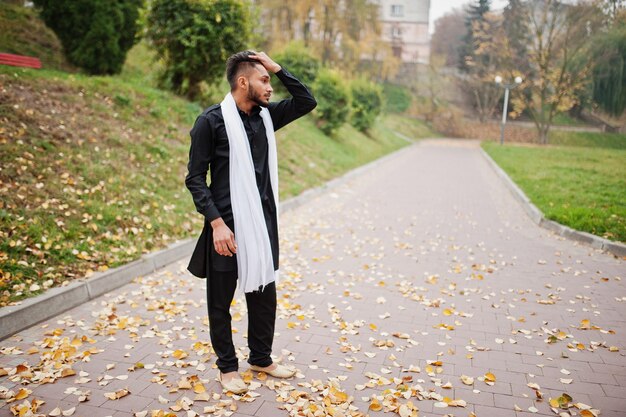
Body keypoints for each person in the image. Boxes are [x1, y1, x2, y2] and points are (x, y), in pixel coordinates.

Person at [185, 51, 317, 393]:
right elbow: (195, 179)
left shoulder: (266, 117)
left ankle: (260, 357)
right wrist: (215, 223)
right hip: (226, 227)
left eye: (270, 79)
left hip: (262, 224)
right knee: (220, 301)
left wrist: (276, 67)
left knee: (264, 296)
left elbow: (306, 101)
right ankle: (227, 368)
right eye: (264, 80)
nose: (270, 86)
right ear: (243, 82)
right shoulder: (210, 122)